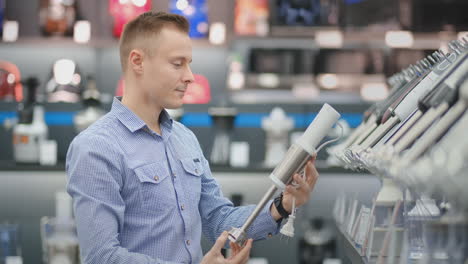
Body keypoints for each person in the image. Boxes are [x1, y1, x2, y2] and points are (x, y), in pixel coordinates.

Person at [66, 11, 319, 264]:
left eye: (189, 63)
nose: (189, 76)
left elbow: (218, 219)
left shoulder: (184, 138)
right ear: (137, 62)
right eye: (178, 64)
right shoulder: (96, 147)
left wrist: (281, 206)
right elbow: (101, 256)